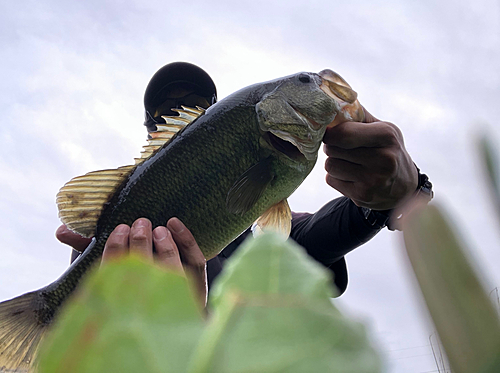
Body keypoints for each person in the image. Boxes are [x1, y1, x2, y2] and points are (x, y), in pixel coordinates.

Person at [56, 62, 432, 306]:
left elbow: (323, 233)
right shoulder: (114, 240)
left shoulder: (260, 239)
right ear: (150, 129)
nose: (179, 109)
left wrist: (397, 195)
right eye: (163, 110)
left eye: (195, 102)